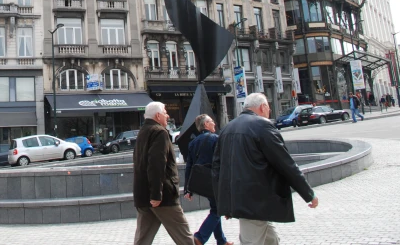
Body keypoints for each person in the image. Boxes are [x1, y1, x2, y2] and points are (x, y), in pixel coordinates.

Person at [212, 93, 318, 244]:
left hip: (241, 199)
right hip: (255, 201)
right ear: (263, 107)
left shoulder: (227, 128)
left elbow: (217, 169)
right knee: (252, 241)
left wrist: (224, 203)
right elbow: (285, 163)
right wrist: (308, 194)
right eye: (268, 108)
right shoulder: (262, 126)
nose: (269, 113)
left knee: (271, 240)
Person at [133, 101, 195, 245]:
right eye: (165, 112)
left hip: (143, 195)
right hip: (162, 197)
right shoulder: (159, 132)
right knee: (184, 237)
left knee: (142, 239)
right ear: (158, 115)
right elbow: (156, 164)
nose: (167, 115)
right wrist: (156, 194)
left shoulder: (142, 132)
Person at [184, 115, 233, 245]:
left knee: (215, 208)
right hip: (215, 180)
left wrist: (187, 189)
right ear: (206, 124)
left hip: (201, 182)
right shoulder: (216, 139)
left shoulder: (193, 143)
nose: (214, 123)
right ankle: (200, 236)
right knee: (217, 210)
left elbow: (189, 165)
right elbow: (224, 161)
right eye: (212, 121)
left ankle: (221, 241)